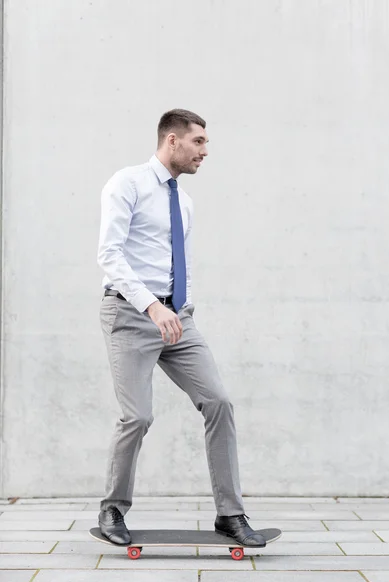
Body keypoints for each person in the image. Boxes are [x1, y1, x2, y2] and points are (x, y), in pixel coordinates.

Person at [97, 108, 265, 548]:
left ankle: (230, 514)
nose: (205, 152)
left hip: (177, 319)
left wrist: (179, 307)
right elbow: (110, 256)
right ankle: (113, 508)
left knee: (219, 402)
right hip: (132, 315)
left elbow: (177, 262)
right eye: (199, 142)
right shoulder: (127, 184)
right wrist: (153, 307)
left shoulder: (184, 200)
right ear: (172, 140)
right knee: (137, 416)